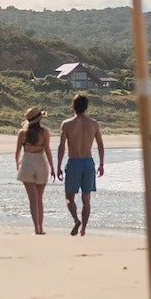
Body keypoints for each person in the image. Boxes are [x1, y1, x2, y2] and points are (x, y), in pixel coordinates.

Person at [56, 93, 105, 236]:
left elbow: (61, 146)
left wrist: (58, 166)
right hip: (88, 162)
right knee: (86, 198)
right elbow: (100, 145)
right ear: (86, 107)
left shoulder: (67, 124)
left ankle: (76, 219)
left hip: (74, 161)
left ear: (73, 107)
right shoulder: (93, 124)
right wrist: (101, 164)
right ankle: (83, 229)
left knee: (69, 197)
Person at [14, 107, 56, 234]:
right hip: (41, 163)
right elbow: (48, 150)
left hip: (27, 163)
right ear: (40, 119)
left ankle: (36, 228)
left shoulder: (22, 133)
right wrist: (53, 168)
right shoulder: (44, 132)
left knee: (32, 199)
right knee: (39, 198)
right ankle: (41, 227)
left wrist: (17, 165)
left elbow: (17, 152)